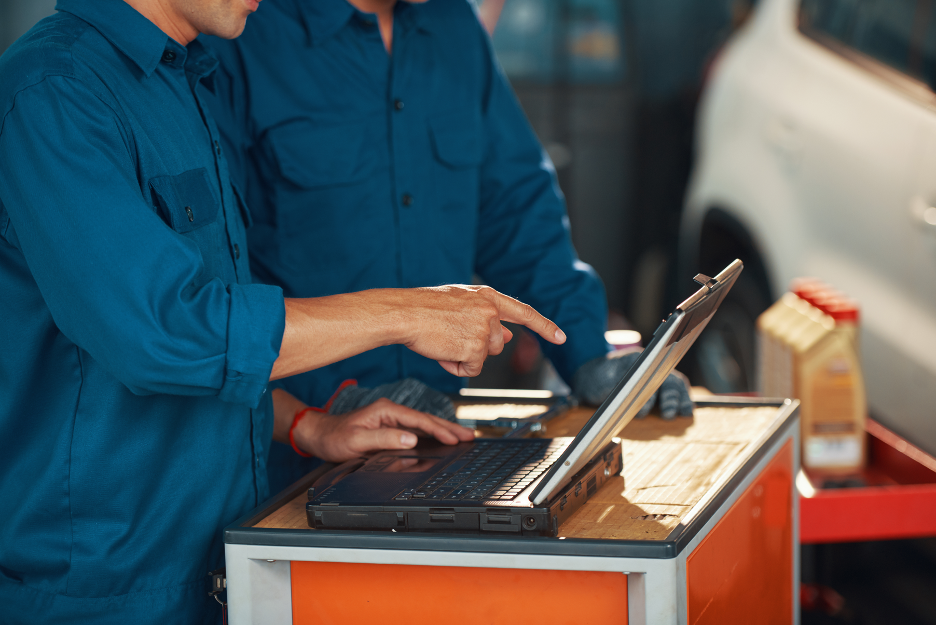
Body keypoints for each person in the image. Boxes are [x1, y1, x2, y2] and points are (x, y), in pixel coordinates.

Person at [0, 0, 565, 621]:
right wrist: (405, 313)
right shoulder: (53, 92)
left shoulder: (184, 79)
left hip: (223, 559)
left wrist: (303, 424)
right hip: (105, 588)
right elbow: (167, 332)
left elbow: (216, 346)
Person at [206, 0, 694, 493]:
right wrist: (314, 408)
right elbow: (211, 289)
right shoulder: (240, 32)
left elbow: (515, 209)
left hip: (439, 441)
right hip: (290, 460)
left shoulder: (452, 24)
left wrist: (588, 355)